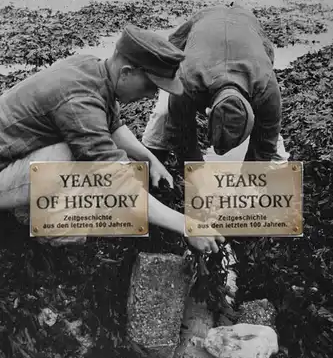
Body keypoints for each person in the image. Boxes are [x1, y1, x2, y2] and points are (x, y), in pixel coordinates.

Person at [0, 25, 224, 254]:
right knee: (69, 158)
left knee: (84, 158)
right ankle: (55, 239)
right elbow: (117, 181)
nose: (150, 95)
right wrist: (186, 225)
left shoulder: (90, 66)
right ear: (126, 72)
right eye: (150, 86)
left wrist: (149, 158)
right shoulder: (79, 103)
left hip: (12, 158)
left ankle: (27, 209)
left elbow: (112, 125)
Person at [142, 4, 290, 166]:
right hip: (202, 29)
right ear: (208, 110)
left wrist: (250, 179)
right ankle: (150, 163)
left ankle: (279, 170)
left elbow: (265, 141)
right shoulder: (187, 82)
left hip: (245, 25)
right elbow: (180, 134)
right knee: (164, 113)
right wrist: (197, 174)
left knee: (269, 130)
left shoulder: (266, 88)